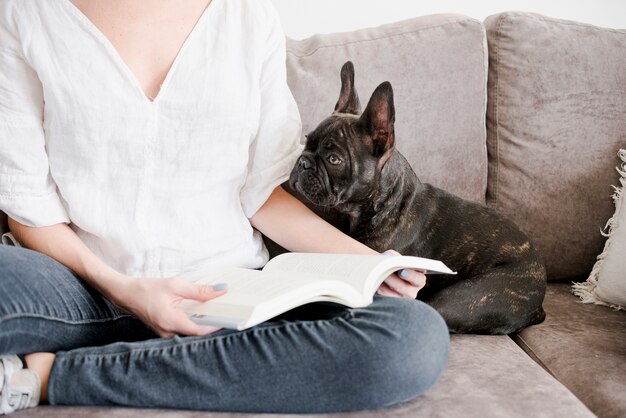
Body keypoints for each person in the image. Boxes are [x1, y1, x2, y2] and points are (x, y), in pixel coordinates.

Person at [0, 0, 450, 414]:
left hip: (228, 295)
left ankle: (51, 374)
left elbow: (264, 194)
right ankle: (186, 363)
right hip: (83, 288)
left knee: (413, 336)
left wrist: (372, 266)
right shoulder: (25, 13)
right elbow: (29, 210)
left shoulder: (248, 16)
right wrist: (124, 288)